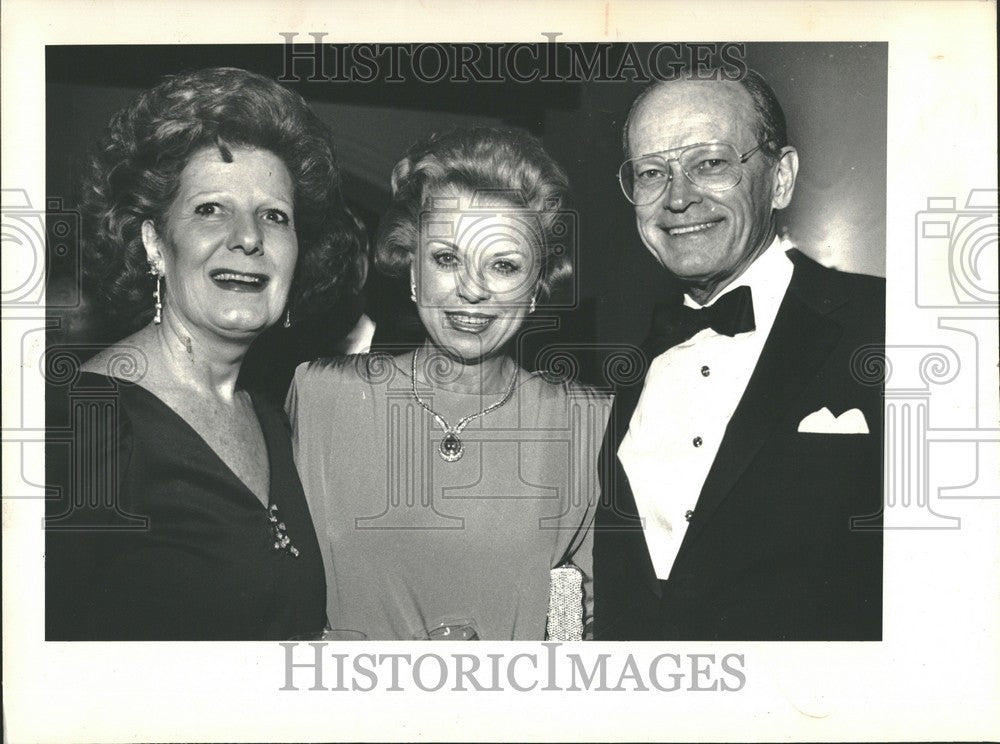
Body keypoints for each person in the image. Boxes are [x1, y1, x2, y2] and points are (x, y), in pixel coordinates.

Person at [45, 67, 364, 640]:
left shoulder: (272, 420)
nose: (248, 237)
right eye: (211, 208)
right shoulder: (79, 422)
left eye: (275, 215)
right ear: (153, 245)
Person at [594, 69, 884, 640]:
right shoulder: (624, 368)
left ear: (779, 179)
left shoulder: (890, 325)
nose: (678, 197)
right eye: (652, 172)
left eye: (711, 163)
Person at [287, 127, 610, 640]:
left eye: (503, 265)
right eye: (446, 258)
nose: (471, 290)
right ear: (412, 267)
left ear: (536, 287)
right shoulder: (320, 396)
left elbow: (594, 626)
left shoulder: (588, 420)